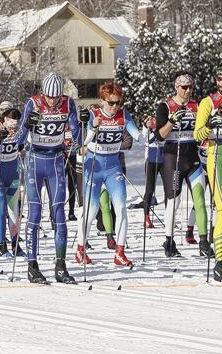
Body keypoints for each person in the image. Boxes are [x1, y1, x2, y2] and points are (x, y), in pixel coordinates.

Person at [16, 72, 81, 284]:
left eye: (56, 97)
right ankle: (32, 266)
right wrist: (26, 128)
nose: (52, 102)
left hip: (55, 161)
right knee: (35, 212)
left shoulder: (68, 103)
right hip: (35, 160)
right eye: (49, 97)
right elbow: (20, 134)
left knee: (59, 212)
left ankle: (60, 266)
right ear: (43, 92)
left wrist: (85, 124)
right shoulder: (33, 103)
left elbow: (77, 137)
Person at [74, 82, 140, 267]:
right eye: (111, 103)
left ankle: (119, 252)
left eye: (118, 102)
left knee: (120, 208)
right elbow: (83, 145)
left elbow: (138, 136)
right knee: (91, 210)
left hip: (113, 166)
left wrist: (150, 133)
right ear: (102, 101)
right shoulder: (94, 115)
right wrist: (93, 129)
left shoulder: (124, 115)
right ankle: (80, 249)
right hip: (94, 165)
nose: (115, 106)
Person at [154, 72, 211, 258]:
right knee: (174, 202)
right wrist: (172, 121)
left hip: (193, 158)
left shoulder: (197, 106)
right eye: (184, 87)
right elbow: (159, 135)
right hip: (173, 158)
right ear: (176, 87)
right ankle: (169, 241)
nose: (187, 91)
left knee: (201, 199)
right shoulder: (165, 106)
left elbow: (202, 129)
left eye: (190, 87)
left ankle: (203, 242)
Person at [192, 66, 222, 281]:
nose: (221, 83)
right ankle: (220, 261)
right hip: (217, 153)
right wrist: (210, 126)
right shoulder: (208, 102)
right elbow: (197, 135)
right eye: (219, 79)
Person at [0, 108, 24, 257]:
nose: (12, 129)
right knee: (1, 207)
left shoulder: (20, 129)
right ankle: (2, 245)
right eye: (10, 125)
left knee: (14, 210)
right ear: (3, 120)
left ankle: (15, 244)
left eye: (15, 126)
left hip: (13, 171)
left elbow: (25, 144)